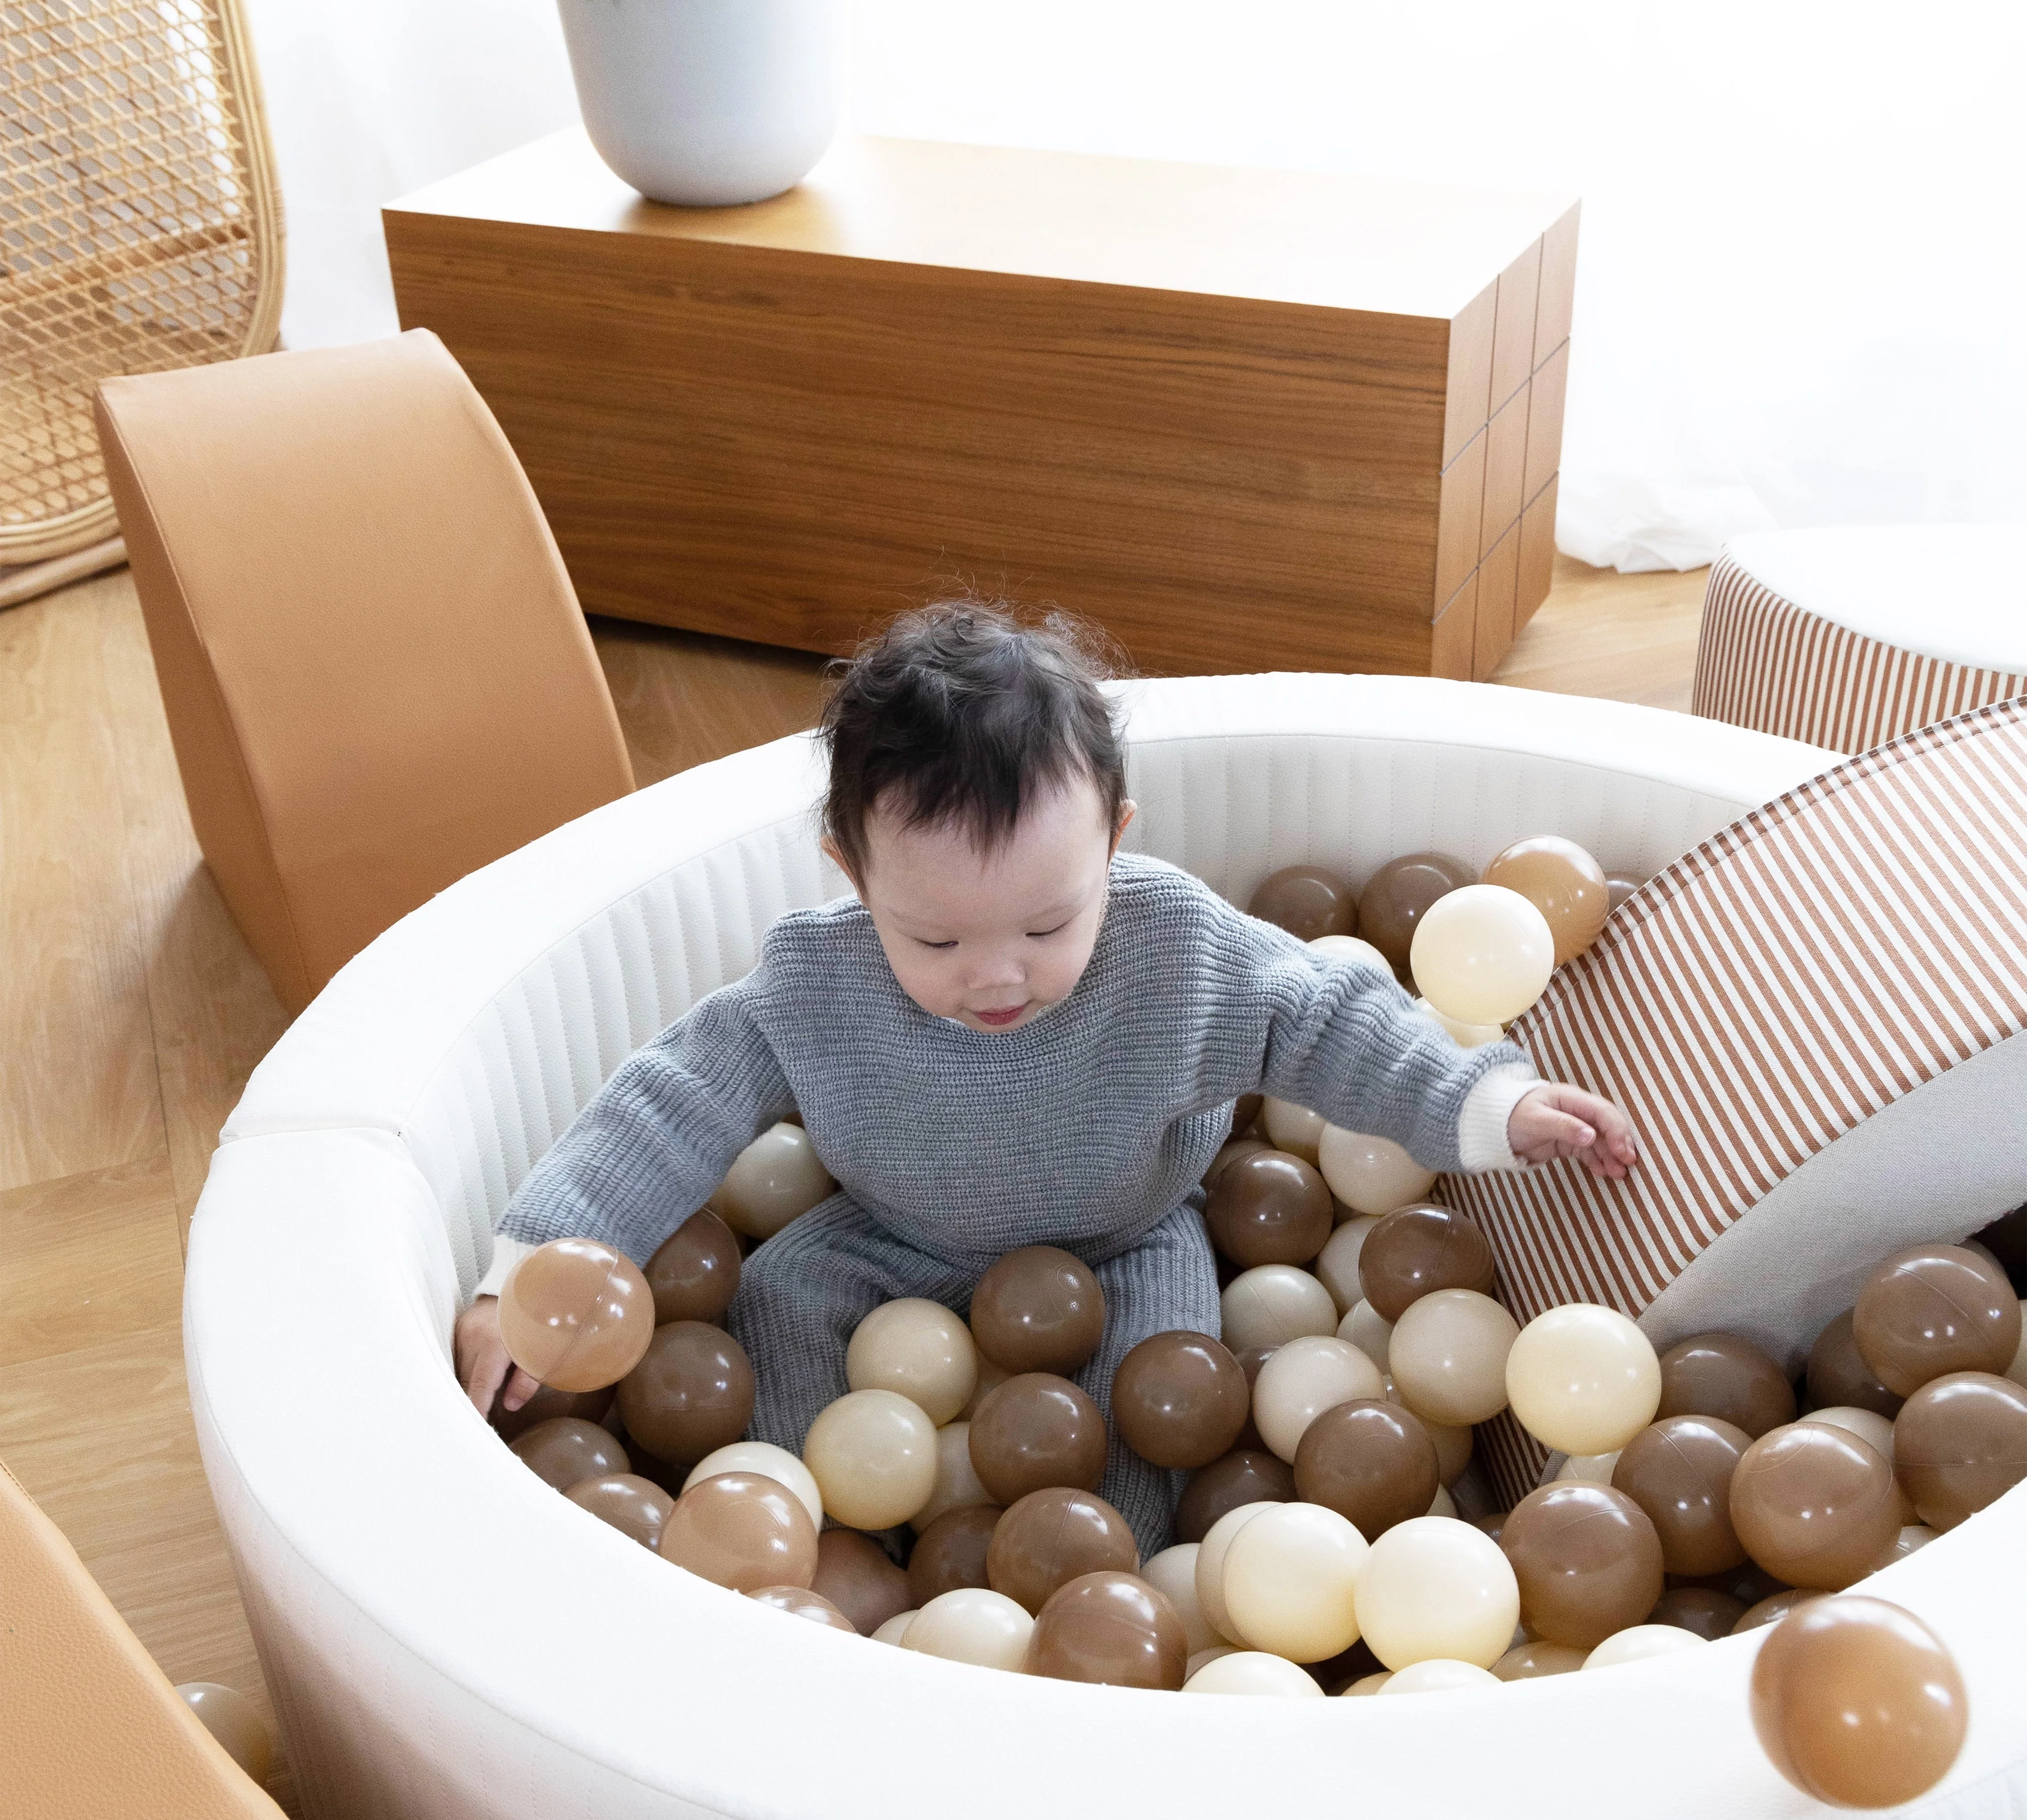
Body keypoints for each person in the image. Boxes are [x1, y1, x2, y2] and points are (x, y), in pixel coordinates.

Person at [455, 602, 1636, 1551]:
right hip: (887, 1234)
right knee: (775, 1302)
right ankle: (841, 1550)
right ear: (852, 875)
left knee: (1163, 1395)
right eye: (934, 937)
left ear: (1114, 841)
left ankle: (1097, 1569)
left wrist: (1486, 1101)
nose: (996, 975)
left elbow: (1322, 1015)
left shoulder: (1173, 948)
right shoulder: (816, 981)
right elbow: (673, 1095)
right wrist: (529, 1272)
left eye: (1046, 923)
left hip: (1125, 1236)